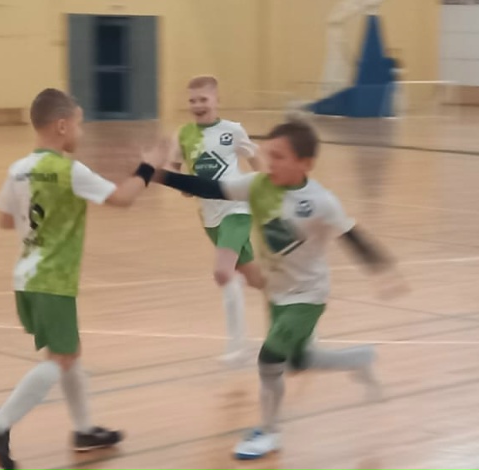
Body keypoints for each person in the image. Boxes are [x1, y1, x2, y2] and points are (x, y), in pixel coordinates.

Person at [153, 121, 405, 460]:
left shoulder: (321, 202)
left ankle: (269, 432)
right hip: (277, 293)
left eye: (280, 156)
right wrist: (159, 175)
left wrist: (383, 270)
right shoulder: (257, 185)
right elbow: (210, 187)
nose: (270, 162)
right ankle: (360, 359)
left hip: (308, 297)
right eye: (268, 154)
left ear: (305, 163)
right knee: (300, 361)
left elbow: (352, 236)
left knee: (270, 358)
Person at [0, 88, 167, 470]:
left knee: (69, 353)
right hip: (53, 280)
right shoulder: (69, 171)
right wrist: (148, 167)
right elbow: (123, 198)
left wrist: (40, 218)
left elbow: (3, 219)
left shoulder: (19, 169)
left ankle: (83, 431)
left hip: (27, 277)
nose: (81, 131)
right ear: (62, 126)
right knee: (61, 360)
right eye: (79, 124)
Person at [169, 75, 265, 365]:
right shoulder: (183, 134)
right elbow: (175, 168)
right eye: (192, 100)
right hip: (210, 217)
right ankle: (297, 301)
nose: (198, 105)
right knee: (255, 278)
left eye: (204, 99)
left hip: (237, 208)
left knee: (223, 272)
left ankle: (238, 347)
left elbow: (256, 160)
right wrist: (184, 186)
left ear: (217, 100)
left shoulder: (232, 130)